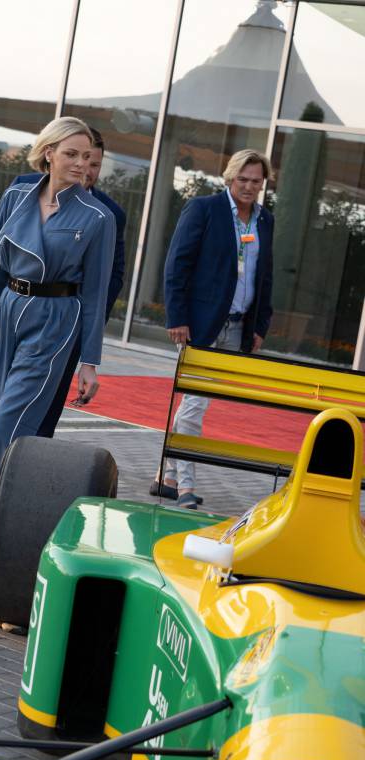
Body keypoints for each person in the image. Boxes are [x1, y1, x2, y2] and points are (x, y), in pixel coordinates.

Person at [0, 117, 116, 574]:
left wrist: (90, 360)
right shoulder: (15, 198)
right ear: (48, 154)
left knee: (8, 426)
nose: (82, 164)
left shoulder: (98, 217)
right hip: (7, 314)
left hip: (55, 321)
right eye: (72, 154)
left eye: (88, 157)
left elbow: (97, 293)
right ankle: (5, 526)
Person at [157, 149, 274, 509]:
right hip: (201, 327)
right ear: (229, 177)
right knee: (194, 405)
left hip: (239, 327)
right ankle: (185, 487)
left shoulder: (264, 220)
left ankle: (170, 474)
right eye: (243, 179)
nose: (249, 187)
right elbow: (178, 264)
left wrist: (260, 326)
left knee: (195, 403)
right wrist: (177, 317)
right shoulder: (204, 209)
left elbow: (264, 275)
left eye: (256, 181)